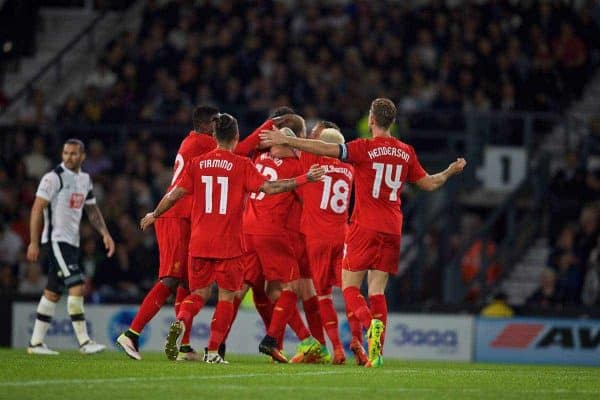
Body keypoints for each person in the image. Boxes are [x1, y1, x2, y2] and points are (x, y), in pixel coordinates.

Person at [261, 98, 466, 367]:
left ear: (371, 120)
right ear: (392, 121)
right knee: (378, 291)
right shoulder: (406, 151)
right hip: (393, 228)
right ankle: (376, 353)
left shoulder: (364, 149)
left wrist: (289, 141)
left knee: (349, 288)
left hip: (363, 227)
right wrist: (449, 171)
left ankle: (369, 326)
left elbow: (323, 147)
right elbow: (429, 183)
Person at [139, 113, 325, 364]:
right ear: (236, 137)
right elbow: (271, 188)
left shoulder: (199, 163)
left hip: (200, 241)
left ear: (214, 136)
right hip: (231, 242)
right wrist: (306, 178)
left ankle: (182, 321)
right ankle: (214, 351)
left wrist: (154, 213)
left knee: (200, 294)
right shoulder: (242, 164)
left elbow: (174, 195)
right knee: (229, 296)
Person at [117, 105, 219, 361]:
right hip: (176, 216)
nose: (219, 129)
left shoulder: (192, 140)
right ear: (207, 125)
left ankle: (183, 346)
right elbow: (235, 153)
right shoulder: (204, 142)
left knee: (186, 281)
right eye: (216, 123)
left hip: (184, 215)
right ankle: (132, 333)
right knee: (171, 279)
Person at [26, 139, 116, 355]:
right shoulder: (53, 177)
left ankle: (36, 344)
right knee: (77, 285)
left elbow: (92, 211)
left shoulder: (85, 179)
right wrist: (34, 241)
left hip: (72, 243)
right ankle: (84, 342)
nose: (69, 157)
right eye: (66, 153)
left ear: (82, 156)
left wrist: (105, 233)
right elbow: (37, 208)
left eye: (74, 153)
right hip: (56, 240)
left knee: (52, 293)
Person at [297, 127, 358, 365]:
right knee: (350, 292)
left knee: (323, 296)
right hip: (343, 237)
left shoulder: (314, 162)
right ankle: (357, 344)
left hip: (318, 239)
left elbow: (303, 146)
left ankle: (337, 349)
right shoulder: (350, 168)